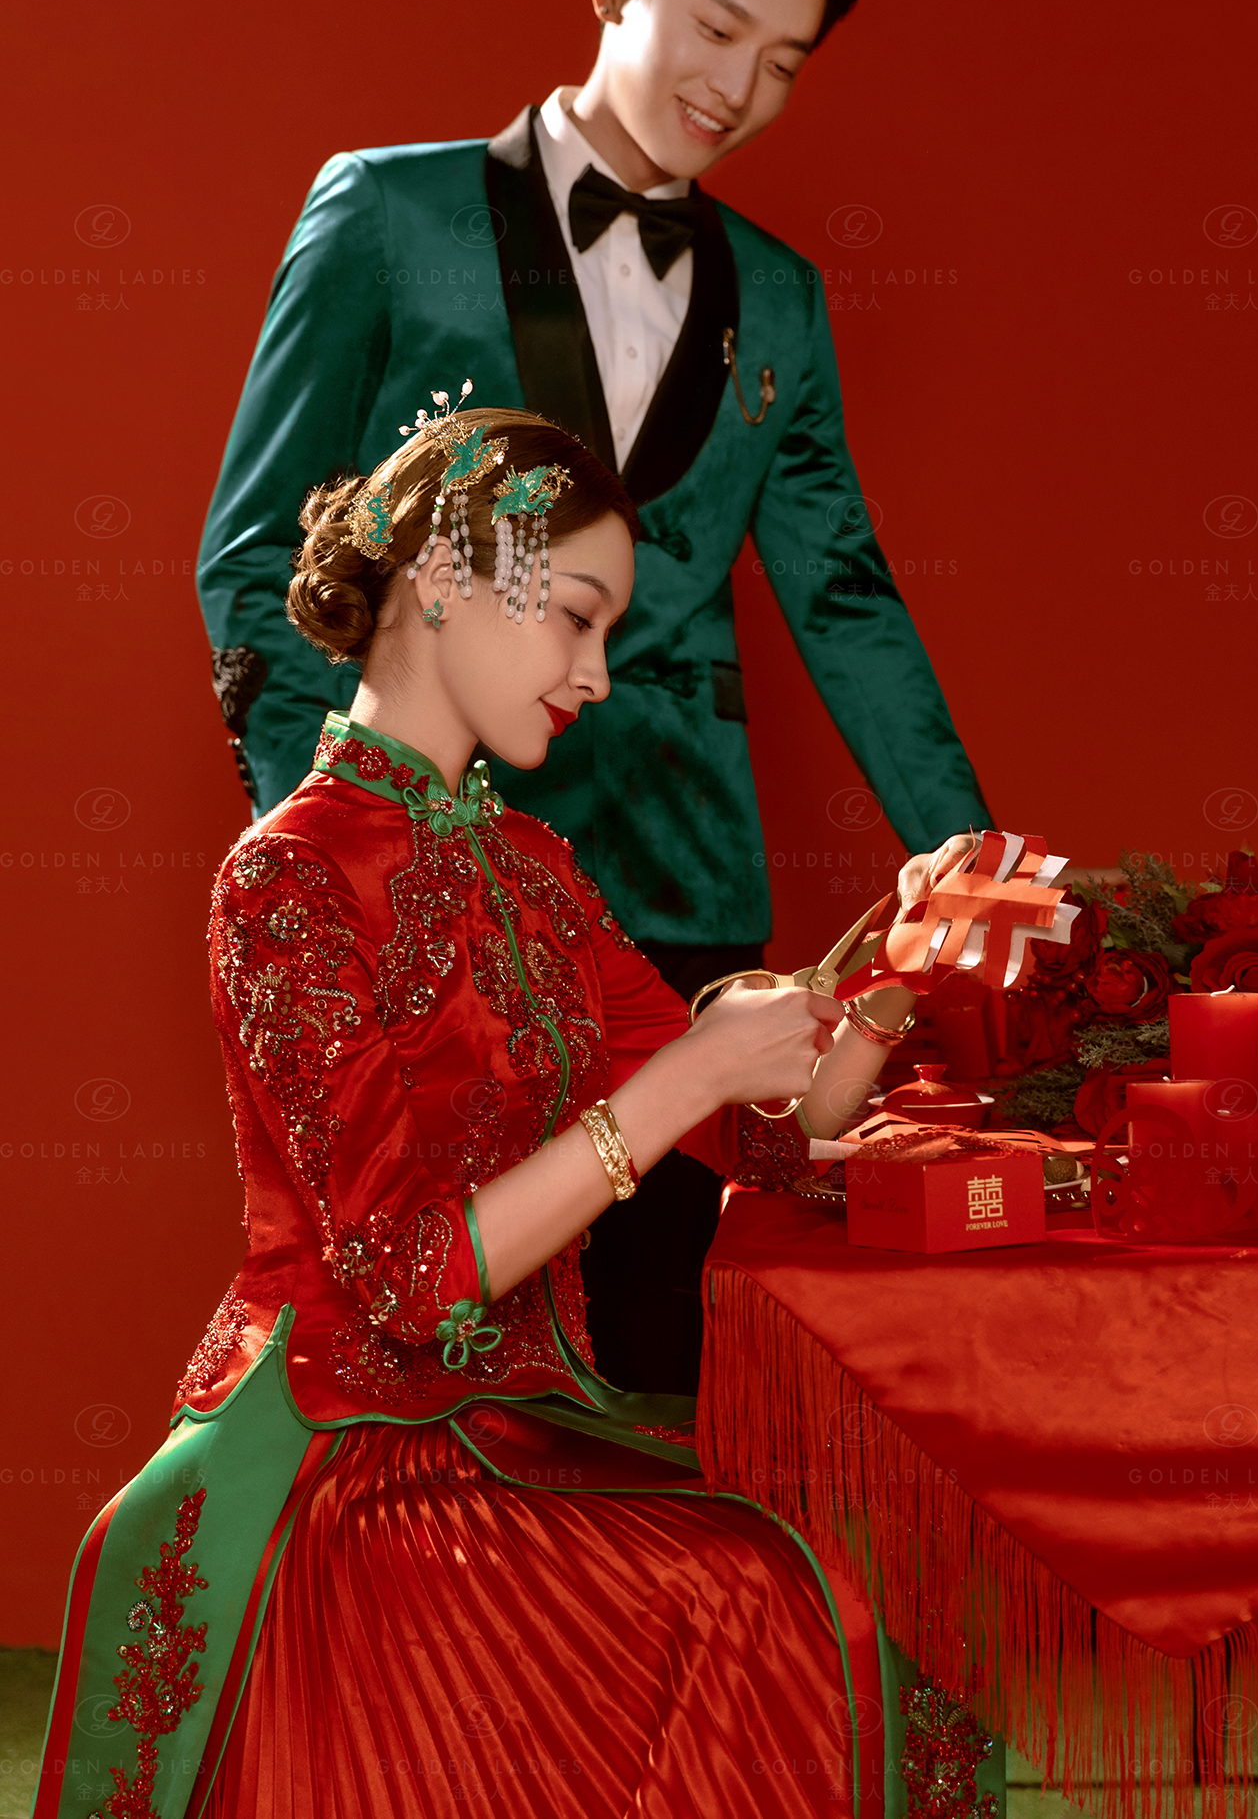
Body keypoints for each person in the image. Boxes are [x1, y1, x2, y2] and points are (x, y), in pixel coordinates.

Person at [38, 407, 941, 1819]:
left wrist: (901, 965)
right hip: (342, 1446)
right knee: (757, 1592)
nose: (598, 673)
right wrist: (685, 1076)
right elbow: (406, 1281)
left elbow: (769, 1136)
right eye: (576, 616)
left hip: (521, 1416)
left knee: (844, 1566)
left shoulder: (527, 867)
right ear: (447, 578)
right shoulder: (284, 880)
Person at [197, 0, 991, 1392]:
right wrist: (354, 868)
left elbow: (841, 589)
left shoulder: (781, 295)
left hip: (676, 878)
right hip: (411, 897)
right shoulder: (387, 211)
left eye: (783, 62)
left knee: (665, 1354)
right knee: (417, 1320)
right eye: (718, 27)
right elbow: (252, 549)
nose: (738, 89)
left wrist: (966, 863)